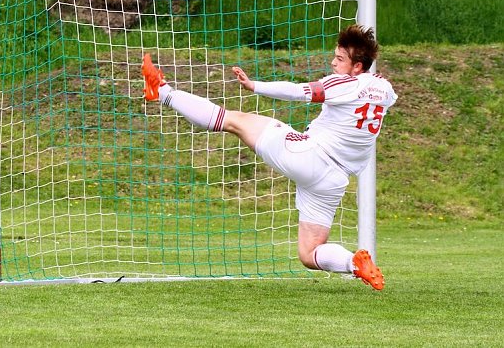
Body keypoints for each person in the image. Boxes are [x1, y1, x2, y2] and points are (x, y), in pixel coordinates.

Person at [141, 24, 397, 290]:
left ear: (357, 66)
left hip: (309, 156)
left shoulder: (345, 83)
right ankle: (352, 263)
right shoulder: (385, 90)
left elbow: (300, 92)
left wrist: (255, 86)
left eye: (340, 59)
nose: (333, 62)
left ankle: (161, 92)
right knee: (309, 253)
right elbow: (377, 96)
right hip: (333, 180)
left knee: (235, 121)